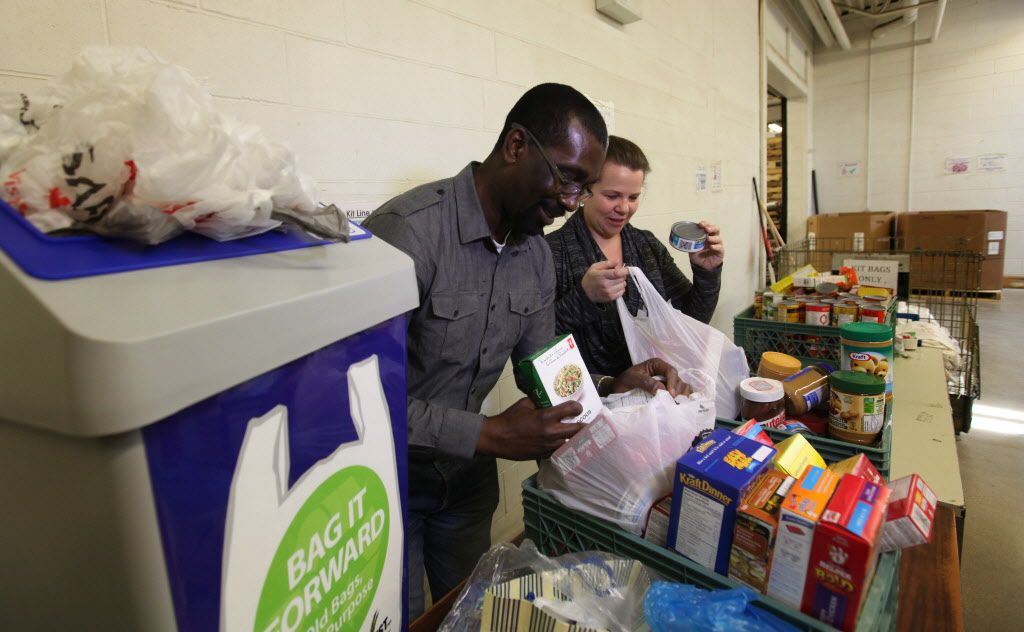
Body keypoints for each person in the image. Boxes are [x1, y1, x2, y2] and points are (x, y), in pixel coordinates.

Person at [362, 84, 686, 618]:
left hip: (466, 485)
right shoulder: (408, 235)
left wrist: (610, 386)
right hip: (386, 486)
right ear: (516, 146)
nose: (569, 202)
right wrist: (487, 432)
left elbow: (547, 367)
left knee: (465, 610)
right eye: (566, 178)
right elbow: (357, 399)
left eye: (583, 189)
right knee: (401, 616)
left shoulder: (532, 253)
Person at [545, 135, 726, 378]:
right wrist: (584, 298)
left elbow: (691, 323)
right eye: (612, 196)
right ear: (584, 192)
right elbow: (535, 342)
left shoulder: (646, 245)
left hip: (657, 396)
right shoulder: (551, 253)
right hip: (587, 406)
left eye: (633, 197)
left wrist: (707, 273)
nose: (624, 208)